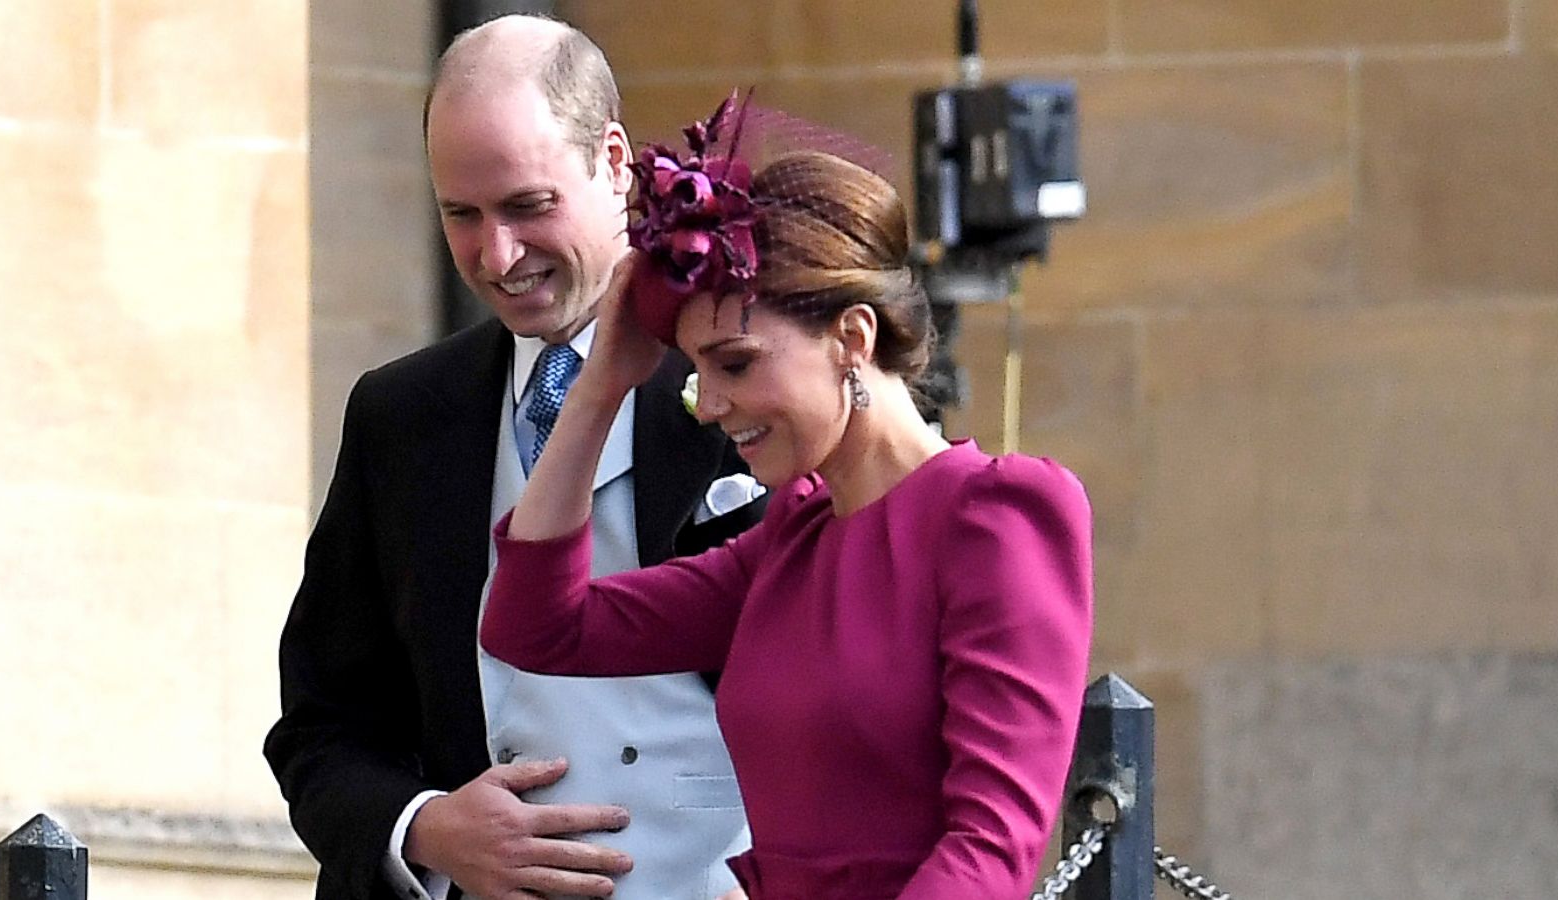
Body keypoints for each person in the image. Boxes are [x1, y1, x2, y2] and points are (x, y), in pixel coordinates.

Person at [481, 97, 1096, 900]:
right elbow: (536, 628)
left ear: (853, 340)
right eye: (701, 371)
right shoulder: (793, 541)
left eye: (736, 364)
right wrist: (601, 388)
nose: (708, 405)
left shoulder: (999, 516)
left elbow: (989, 848)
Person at [263, 16, 764, 900]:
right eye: (462, 214)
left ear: (615, 163)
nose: (497, 255)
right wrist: (425, 827)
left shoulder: (755, 373)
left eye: (529, 206)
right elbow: (322, 725)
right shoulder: (402, 415)